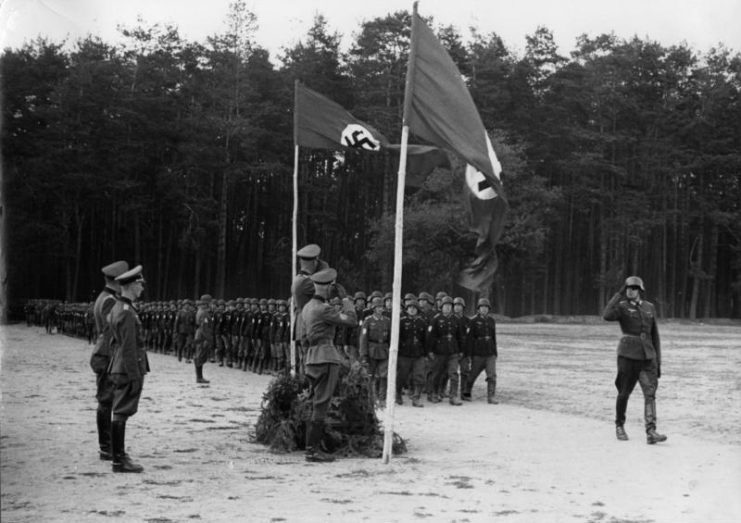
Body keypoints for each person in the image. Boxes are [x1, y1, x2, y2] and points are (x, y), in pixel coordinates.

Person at [301, 267, 358, 462]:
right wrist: (345, 300)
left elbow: (302, 337)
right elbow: (351, 320)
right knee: (321, 404)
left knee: (315, 401)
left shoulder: (307, 307)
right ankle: (312, 451)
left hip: (311, 358)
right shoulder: (324, 309)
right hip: (326, 357)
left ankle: (310, 446)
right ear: (328, 288)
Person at [603, 276, 667, 444]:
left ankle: (651, 431)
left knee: (650, 393)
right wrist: (618, 294)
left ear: (640, 291)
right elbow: (607, 315)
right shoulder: (622, 307)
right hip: (628, 355)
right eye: (628, 288)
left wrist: (658, 361)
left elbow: (655, 336)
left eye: (633, 288)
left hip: (648, 357)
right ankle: (619, 426)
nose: (630, 290)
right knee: (624, 392)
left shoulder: (649, 307)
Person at [108, 265, 149, 473]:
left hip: (120, 365)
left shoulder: (120, 308)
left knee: (120, 410)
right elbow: (129, 347)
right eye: (140, 285)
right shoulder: (126, 312)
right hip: (126, 368)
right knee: (121, 411)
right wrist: (134, 377)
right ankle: (119, 459)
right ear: (131, 285)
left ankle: (119, 456)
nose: (142, 288)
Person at [90, 260, 129, 461]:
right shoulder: (109, 301)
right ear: (117, 281)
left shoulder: (105, 297)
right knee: (106, 400)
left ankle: (107, 446)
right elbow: (111, 331)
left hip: (104, 353)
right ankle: (107, 447)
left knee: (106, 400)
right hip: (107, 354)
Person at [291, 244, 328, 376]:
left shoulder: (299, 279)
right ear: (314, 261)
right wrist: (325, 268)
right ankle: (308, 390)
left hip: (303, 325)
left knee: (305, 359)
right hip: (310, 325)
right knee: (311, 361)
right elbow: (328, 287)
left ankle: (304, 389)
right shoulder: (308, 282)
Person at [426, 296, 464, 405]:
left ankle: (453, 396)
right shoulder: (436, 319)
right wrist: (430, 351)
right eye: (445, 306)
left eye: (449, 306)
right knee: (437, 373)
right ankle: (433, 394)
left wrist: (461, 350)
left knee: (454, 374)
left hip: (453, 350)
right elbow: (431, 336)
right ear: (441, 307)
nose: (447, 308)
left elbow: (460, 336)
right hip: (439, 351)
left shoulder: (456, 320)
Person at [464, 298, 498, 404]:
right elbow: (469, 339)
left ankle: (491, 397)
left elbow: (493, 337)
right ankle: (467, 392)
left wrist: (495, 352)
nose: (484, 309)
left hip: (490, 353)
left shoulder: (491, 321)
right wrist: (469, 354)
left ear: (489, 309)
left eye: (486, 307)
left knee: (491, 375)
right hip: (478, 353)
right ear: (478, 309)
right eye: (482, 307)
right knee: (472, 375)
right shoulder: (473, 321)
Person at [359, 296, 391, 406]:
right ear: (373, 308)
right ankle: (371, 397)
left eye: (381, 307)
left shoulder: (387, 321)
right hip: (371, 350)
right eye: (378, 307)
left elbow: (391, 338)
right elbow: (363, 339)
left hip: (384, 350)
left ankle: (382, 398)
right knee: (370, 376)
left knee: (383, 375)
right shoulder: (368, 321)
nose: (380, 309)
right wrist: (363, 354)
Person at [396, 299, 428, 407]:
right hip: (405, 353)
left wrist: (425, 353)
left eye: (414, 308)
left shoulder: (422, 322)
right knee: (402, 375)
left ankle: (416, 398)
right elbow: (398, 338)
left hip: (418, 353)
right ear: (407, 310)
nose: (412, 310)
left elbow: (425, 339)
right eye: (410, 308)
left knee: (419, 375)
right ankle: (398, 394)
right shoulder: (401, 321)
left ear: (417, 310)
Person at [193, 294, 214, 384]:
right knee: (200, 355)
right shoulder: (204, 313)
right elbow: (204, 327)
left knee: (199, 354)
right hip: (202, 336)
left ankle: (199, 377)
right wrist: (209, 339)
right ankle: (199, 377)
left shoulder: (200, 311)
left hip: (199, 335)